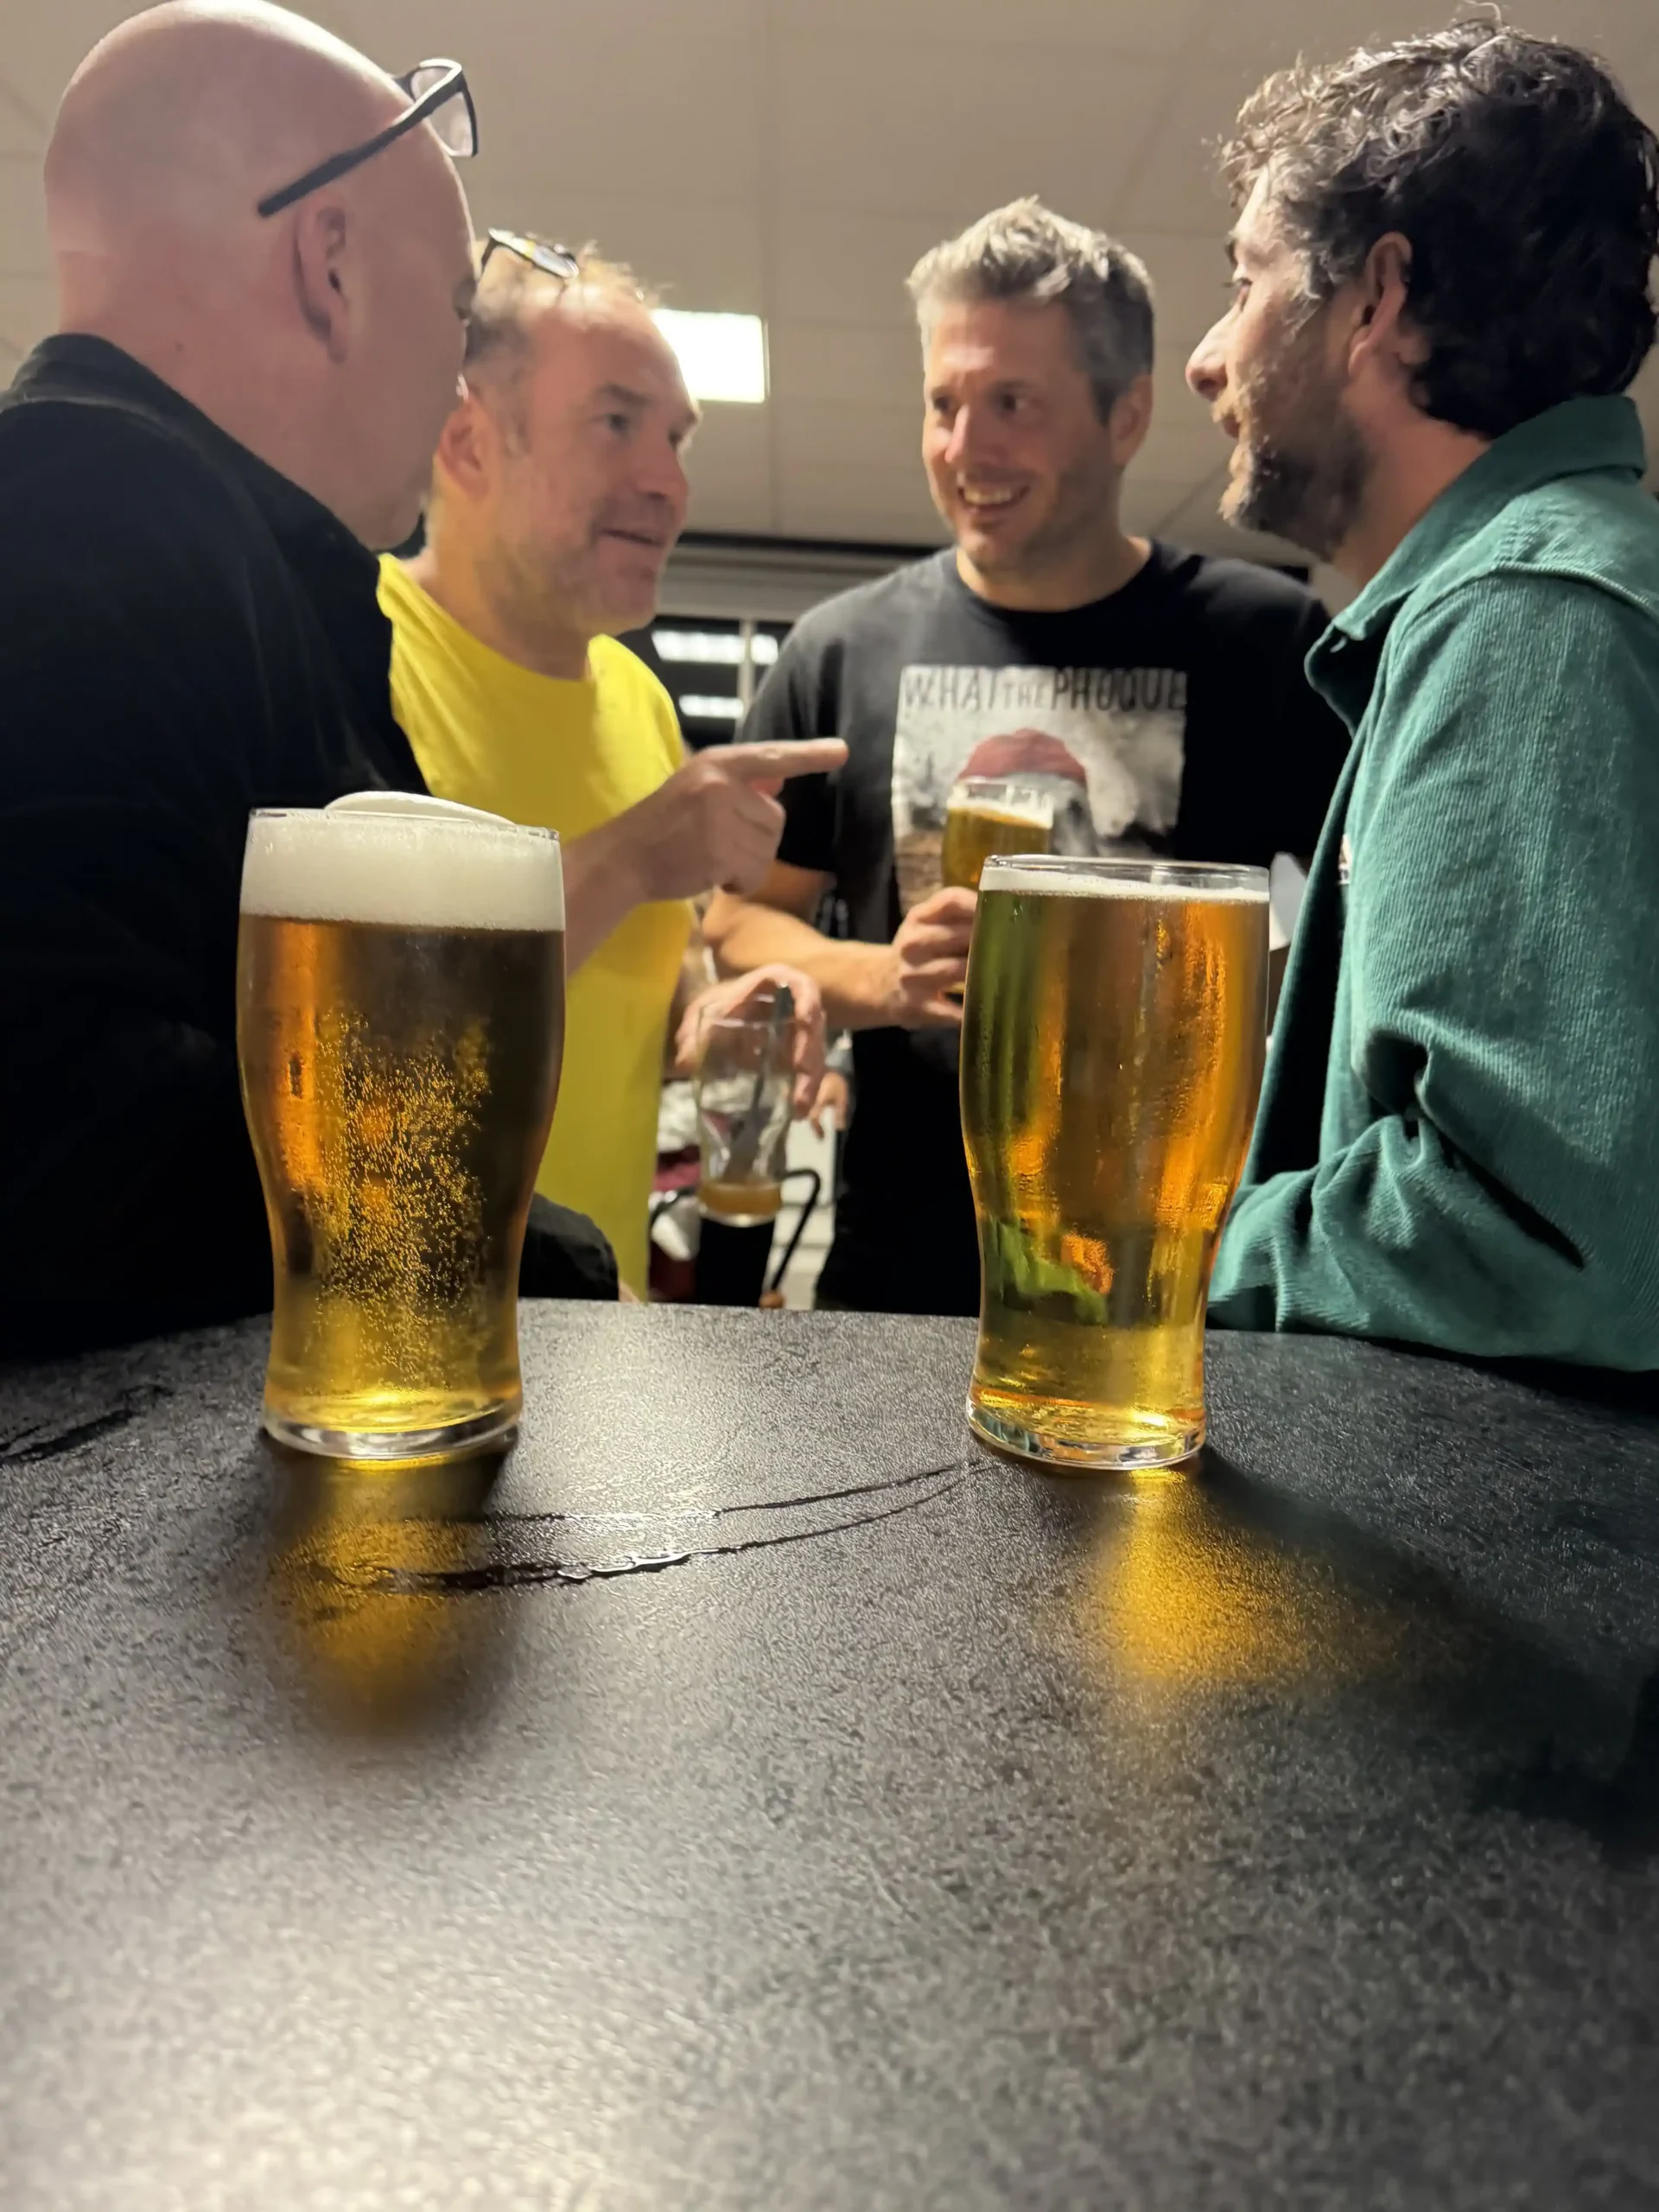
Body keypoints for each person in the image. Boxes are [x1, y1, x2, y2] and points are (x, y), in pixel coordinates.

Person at [0, 2, 614, 1357]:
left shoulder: (201, 547)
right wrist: (541, 1258)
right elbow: (52, 1140)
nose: (459, 395)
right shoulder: (87, 519)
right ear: (331, 267)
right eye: (458, 319)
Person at [704, 199, 1351, 1317]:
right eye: (943, 404)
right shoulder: (839, 650)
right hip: (896, 1280)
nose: (966, 449)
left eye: (1014, 403)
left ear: (1128, 416)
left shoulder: (1268, 646)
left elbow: (1361, 952)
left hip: (1169, 1291)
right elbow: (737, 925)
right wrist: (885, 980)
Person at [1189, 25, 1659, 1368]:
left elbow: (1544, 1241)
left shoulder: (1529, 617)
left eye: (1247, 281)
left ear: (1377, 301)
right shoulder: (1560, 588)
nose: (1210, 358)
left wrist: (1187, 1240)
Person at [380, 241, 841, 1294]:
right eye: (616, 422)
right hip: (400, 1347)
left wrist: (719, 1008)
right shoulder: (350, 651)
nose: (669, 484)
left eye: (675, 438)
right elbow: (377, 1056)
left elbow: (645, 983)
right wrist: (632, 855)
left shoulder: (637, 699)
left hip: (601, 1343)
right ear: (466, 442)